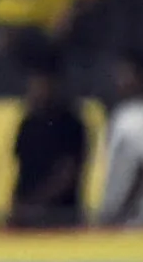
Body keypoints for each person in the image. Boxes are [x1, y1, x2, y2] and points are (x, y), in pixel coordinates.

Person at [8, 53, 90, 229]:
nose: (35, 88)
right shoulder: (27, 124)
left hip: (59, 218)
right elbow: (20, 169)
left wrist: (37, 205)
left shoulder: (71, 124)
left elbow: (67, 173)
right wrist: (17, 206)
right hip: (26, 217)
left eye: (40, 83)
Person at [99, 50, 143, 226]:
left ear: (141, 78)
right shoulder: (122, 114)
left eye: (126, 74)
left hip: (135, 222)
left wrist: (122, 214)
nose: (120, 80)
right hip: (116, 217)